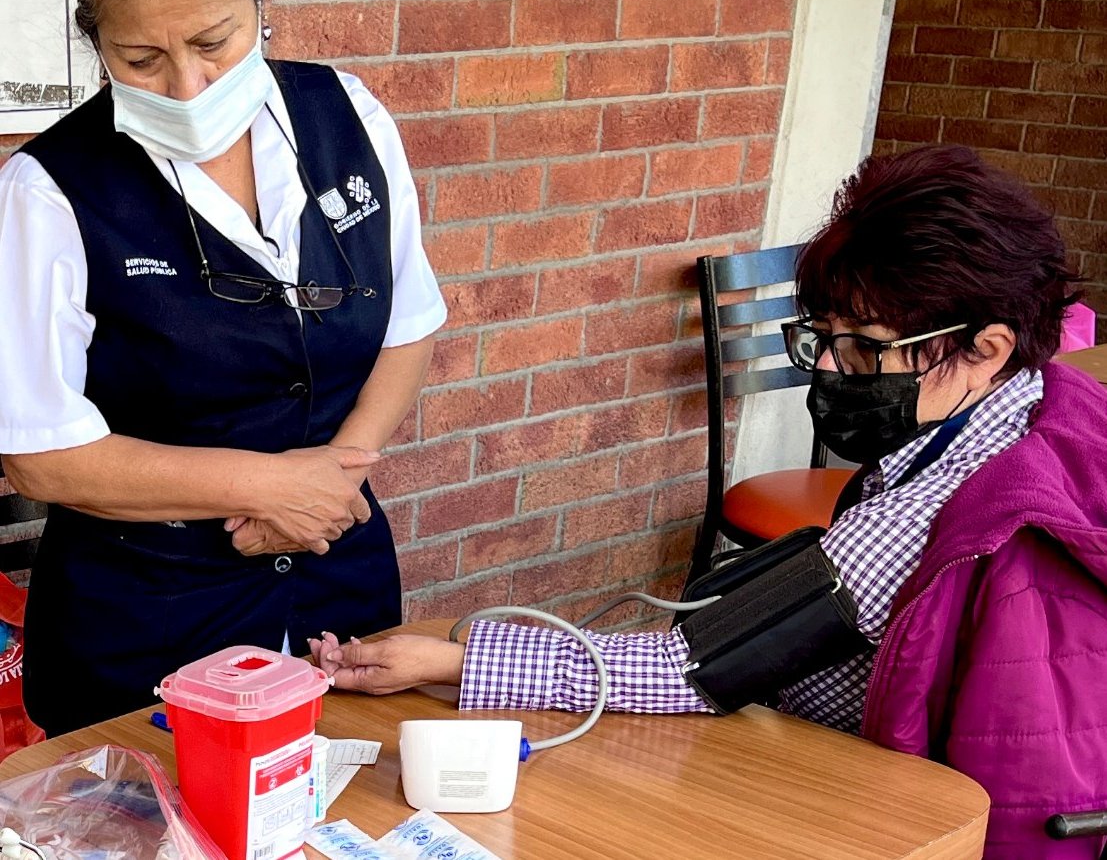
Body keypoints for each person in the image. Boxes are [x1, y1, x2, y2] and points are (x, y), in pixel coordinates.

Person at [313, 145, 1107, 859]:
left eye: (866, 348)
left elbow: (691, 668)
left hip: (883, 793)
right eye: (821, 337)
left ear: (988, 347)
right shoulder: (1055, 402)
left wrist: (455, 660)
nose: (831, 370)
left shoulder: (931, 509)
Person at [0, 0, 447, 735]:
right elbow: (41, 453)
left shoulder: (348, 117)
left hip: (335, 576)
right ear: (94, 37)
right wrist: (269, 488)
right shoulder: (49, 190)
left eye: (214, 41)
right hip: (144, 624)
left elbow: (407, 322)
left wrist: (331, 481)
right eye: (140, 57)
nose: (188, 85)